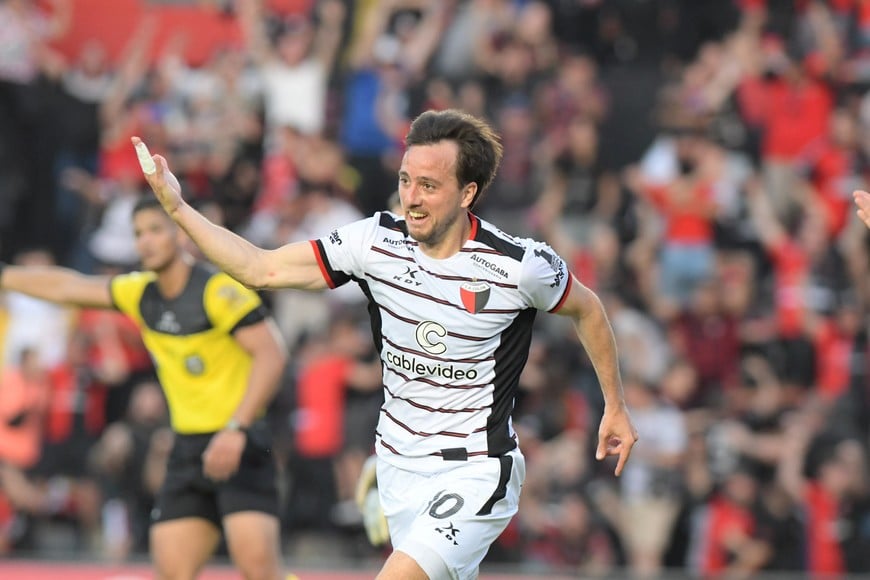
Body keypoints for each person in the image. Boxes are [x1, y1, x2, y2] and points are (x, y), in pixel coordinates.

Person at [134, 108, 638, 580]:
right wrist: (177, 208)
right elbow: (258, 267)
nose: (411, 197)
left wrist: (614, 404)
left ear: (467, 193)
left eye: (428, 185)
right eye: (404, 180)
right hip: (397, 468)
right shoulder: (373, 243)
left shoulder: (519, 264)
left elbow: (588, 309)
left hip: (475, 472)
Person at [0, 197, 288, 580]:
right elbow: (70, 286)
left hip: (239, 442)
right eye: (138, 234)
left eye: (155, 230)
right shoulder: (140, 293)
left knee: (260, 573)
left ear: (180, 235)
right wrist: (5, 276)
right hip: (188, 451)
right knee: (171, 573)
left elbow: (272, 356)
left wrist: (235, 428)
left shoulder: (217, 291)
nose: (146, 241)